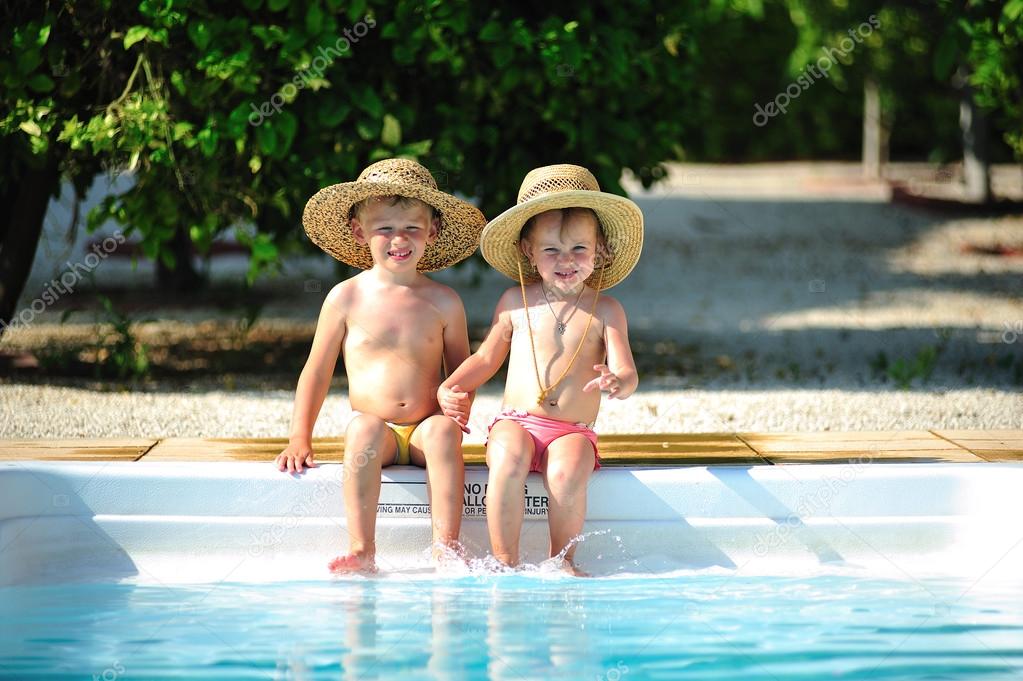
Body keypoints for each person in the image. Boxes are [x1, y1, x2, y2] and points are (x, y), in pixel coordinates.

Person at [275, 158, 486, 573]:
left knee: (444, 432)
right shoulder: (345, 298)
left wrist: (459, 404)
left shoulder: (444, 301)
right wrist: (300, 436)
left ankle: (446, 546)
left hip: (426, 427)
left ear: (433, 231)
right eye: (384, 228)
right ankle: (362, 548)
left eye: (412, 227)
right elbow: (316, 370)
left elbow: (463, 369)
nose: (398, 239)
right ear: (359, 232)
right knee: (362, 429)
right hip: (379, 431)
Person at [438, 164, 643, 574]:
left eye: (579, 249)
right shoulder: (516, 302)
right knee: (508, 457)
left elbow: (627, 370)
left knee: (567, 473)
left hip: (571, 430)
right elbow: (486, 358)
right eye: (551, 250)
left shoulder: (605, 309)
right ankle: (505, 561)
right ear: (528, 251)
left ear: (601, 249)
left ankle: (562, 561)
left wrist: (617, 381)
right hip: (517, 421)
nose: (566, 261)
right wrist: (451, 386)